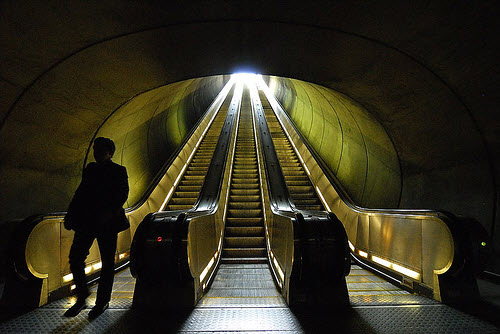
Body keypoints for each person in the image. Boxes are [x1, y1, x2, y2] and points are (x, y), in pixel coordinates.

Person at [63, 137, 129, 318]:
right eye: (95, 149)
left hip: (107, 223)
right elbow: (80, 193)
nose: (96, 153)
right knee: (76, 258)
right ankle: (82, 296)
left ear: (109, 152)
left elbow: (123, 193)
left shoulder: (118, 170)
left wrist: (110, 212)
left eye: (100, 150)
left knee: (108, 263)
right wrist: (70, 215)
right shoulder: (90, 170)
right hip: (86, 221)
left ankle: (102, 302)